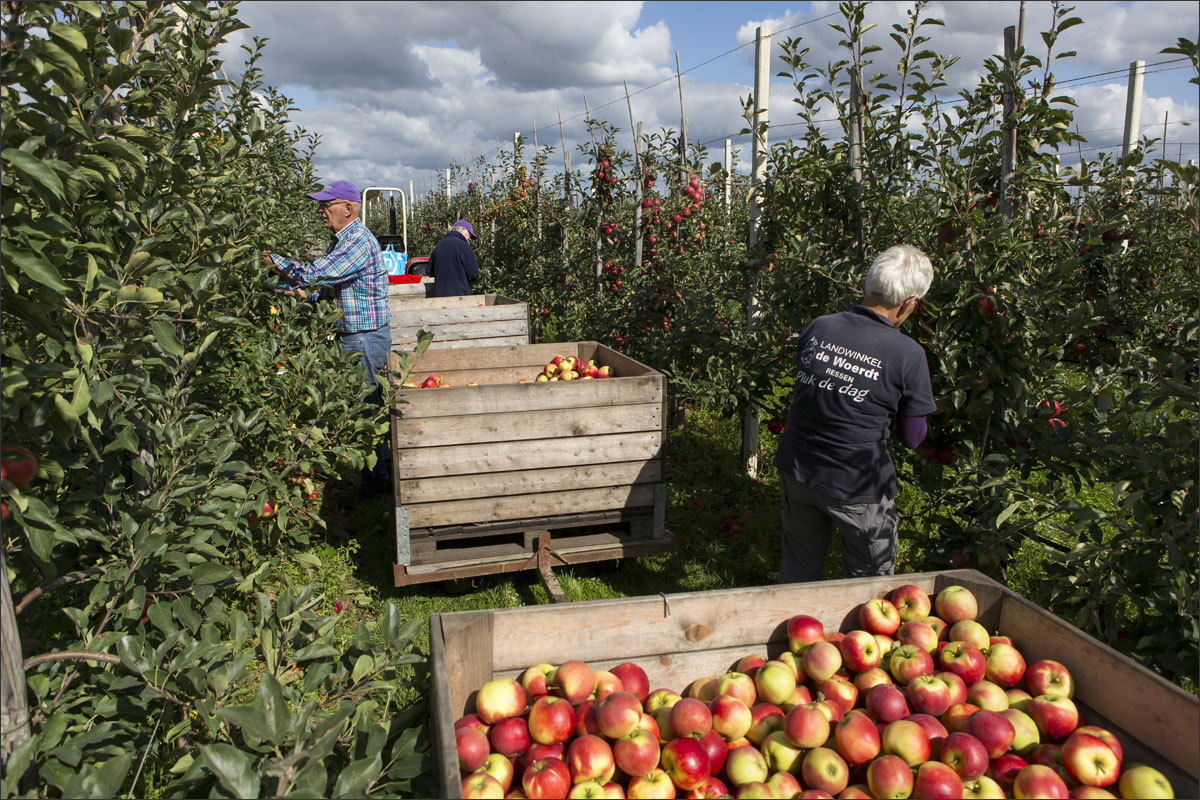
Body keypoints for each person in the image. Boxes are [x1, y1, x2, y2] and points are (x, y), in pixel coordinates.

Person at [773, 244, 937, 583]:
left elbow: (816, 388)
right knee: (869, 582)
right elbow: (912, 437)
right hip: (856, 482)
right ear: (910, 304)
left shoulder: (820, 327)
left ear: (867, 284)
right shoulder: (907, 354)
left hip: (798, 466)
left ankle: (791, 627)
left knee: (799, 566)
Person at [261, 180, 394, 495]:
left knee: (365, 409)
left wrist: (273, 260)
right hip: (357, 337)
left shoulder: (357, 242)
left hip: (364, 338)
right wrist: (282, 291)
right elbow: (321, 290)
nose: (321, 210)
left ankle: (378, 483)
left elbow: (314, 275)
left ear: (347, 208)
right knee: (364, 407)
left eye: (326, 204)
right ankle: (377, 477)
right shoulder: (341, 243)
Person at [427, 220, 480, 297]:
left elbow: (429, 271)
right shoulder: (464, 246)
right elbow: (474, 274)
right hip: (461, 297)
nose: (470, 239)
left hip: (440, 298)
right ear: (462, 229)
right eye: (470, 235)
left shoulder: (439, 246)